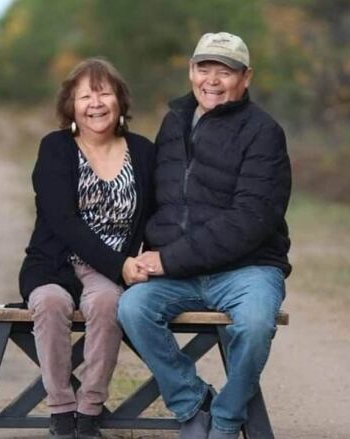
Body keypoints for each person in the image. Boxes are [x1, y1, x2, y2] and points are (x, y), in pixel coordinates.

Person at [117, 32, 292, 439]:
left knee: (253, 323)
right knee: (131, 309)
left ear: (246, 77)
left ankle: (228, 418)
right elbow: (154, 198)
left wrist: (168, 259)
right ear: (191, 71)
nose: (212, 80)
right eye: (203, 68)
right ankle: (192, 405)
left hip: (246, 269)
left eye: (225, 71)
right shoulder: (174, 120)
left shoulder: (264, 132)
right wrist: (132, 258)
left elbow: (250, 220)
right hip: (177, 272)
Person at [18, 58, 155, 439]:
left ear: (120, 101)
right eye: (85, 96)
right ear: (71, 106)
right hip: (54, 263)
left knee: (108, 304)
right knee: (50, 303)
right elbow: (62, 222)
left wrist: (149, 258)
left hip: (109, 271)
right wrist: (120, 264)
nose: (96, 104)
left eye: (104, 93)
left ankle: (89, 411)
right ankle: (62, 412)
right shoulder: (56, 148)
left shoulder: (143, 152)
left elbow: (158, 214)